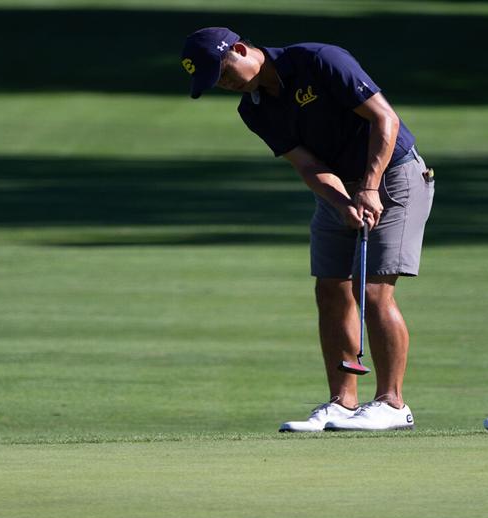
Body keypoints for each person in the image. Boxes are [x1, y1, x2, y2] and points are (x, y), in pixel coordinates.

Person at [180, 27, 434, 432]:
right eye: (215, 82)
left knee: (371, 289)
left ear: (241, 49)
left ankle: (392, 403)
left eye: (223, 71)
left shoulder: (318, 60)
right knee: (330, 289)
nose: (224, 84)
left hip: (394, 175)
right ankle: (343, 403)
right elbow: (309, 166)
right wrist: (341, 203)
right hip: (339, 188)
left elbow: (385, 119)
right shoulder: (254, 109)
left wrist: (368, 188)